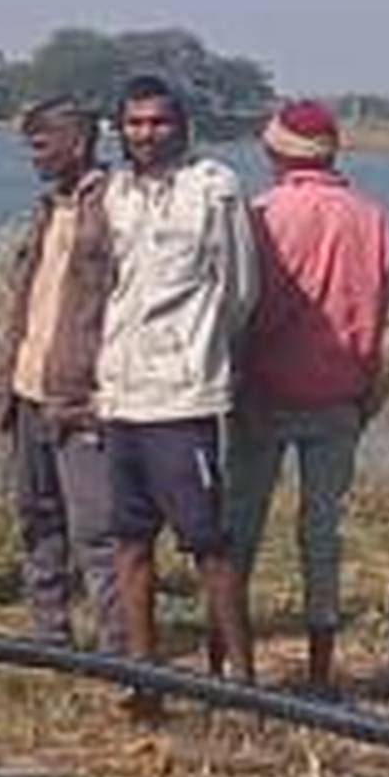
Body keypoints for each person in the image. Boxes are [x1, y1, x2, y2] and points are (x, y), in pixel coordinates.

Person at [230, 97, 389, 688]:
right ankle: (321, 670)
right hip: (338, 400)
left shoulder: (259, 215)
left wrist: (233, 385)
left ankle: (226, 660)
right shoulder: (374, 219)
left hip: (262, 396)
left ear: (274, 152)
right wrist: (368, 403)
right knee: (322, 534)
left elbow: (236, 311)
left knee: (240, 527)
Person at [89, 74, 256, 686]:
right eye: (134, 123)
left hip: (183, 397)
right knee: (130, 542)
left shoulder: (213, 190)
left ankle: (242, 681)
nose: (146, 134)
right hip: (123, 395)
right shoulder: (115, 194)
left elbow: (240, 292)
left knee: (208, 545)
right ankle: (144, 675)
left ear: (182, 125)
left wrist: (203, 353)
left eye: (158, 122)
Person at [0, 95, 125, 647]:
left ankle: (120, 646)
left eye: (42, 144)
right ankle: (50, 635)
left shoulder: (116, 206)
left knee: (97, 530)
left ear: (77, 142)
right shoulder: (50, 207)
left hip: (82, 396)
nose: (35, 156)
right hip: (29, 388)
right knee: (37, 519)